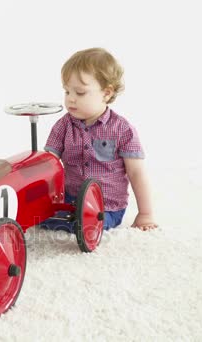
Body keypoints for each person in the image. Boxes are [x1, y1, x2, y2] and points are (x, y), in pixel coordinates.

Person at [41, 47, 158, 232]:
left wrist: (145, 214)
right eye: (67, 92)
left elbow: (136, 173)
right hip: (71, 200)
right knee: (41, 219)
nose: (70, 99)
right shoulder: (63, 126)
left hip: (107, 206)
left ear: (106, 93)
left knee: (86, 227)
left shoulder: (122, 129)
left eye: (79, 93)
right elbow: (47, 162)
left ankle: (81, 225)